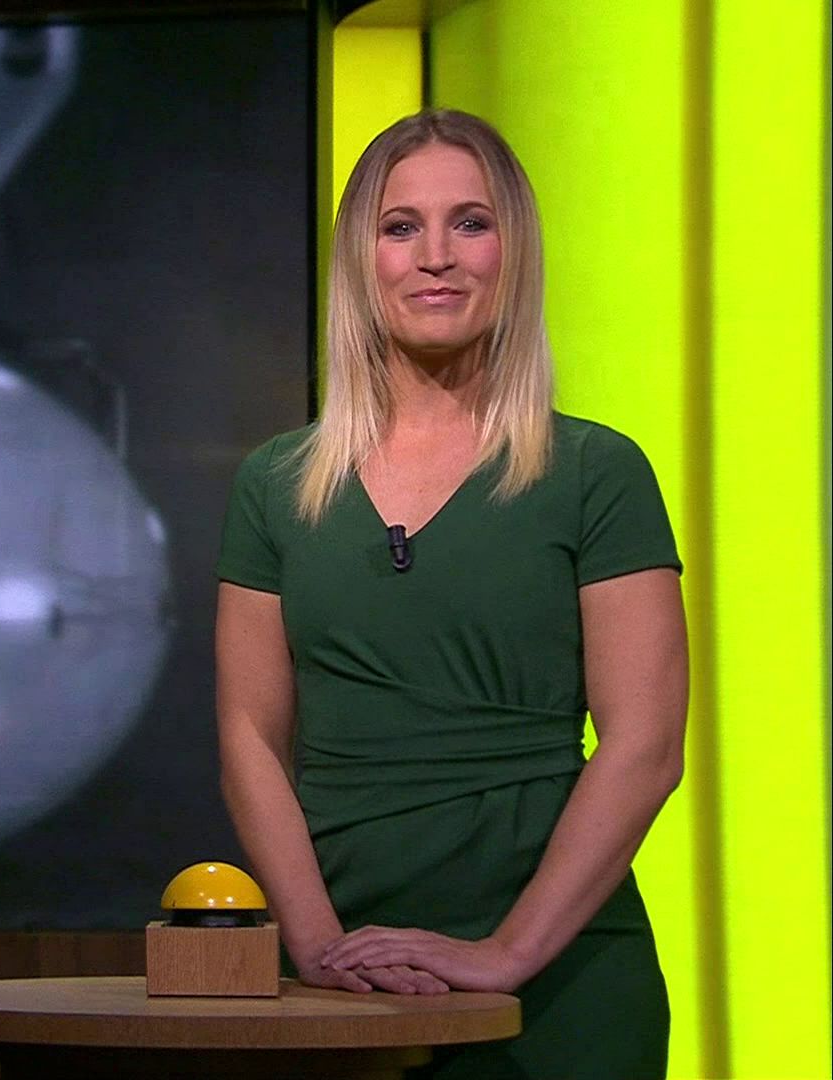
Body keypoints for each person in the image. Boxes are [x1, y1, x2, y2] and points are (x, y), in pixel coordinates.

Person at [213, 108, 686, 1079]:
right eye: (401, 227)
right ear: (362, 259)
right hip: (339, 980)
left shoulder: (596, 472)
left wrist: (506, 955)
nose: (437, 255)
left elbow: (646, 747)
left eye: (471, 222)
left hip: (560, 981)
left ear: (515, 251)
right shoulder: (275, 484)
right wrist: (318, 949)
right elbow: (249, 739)